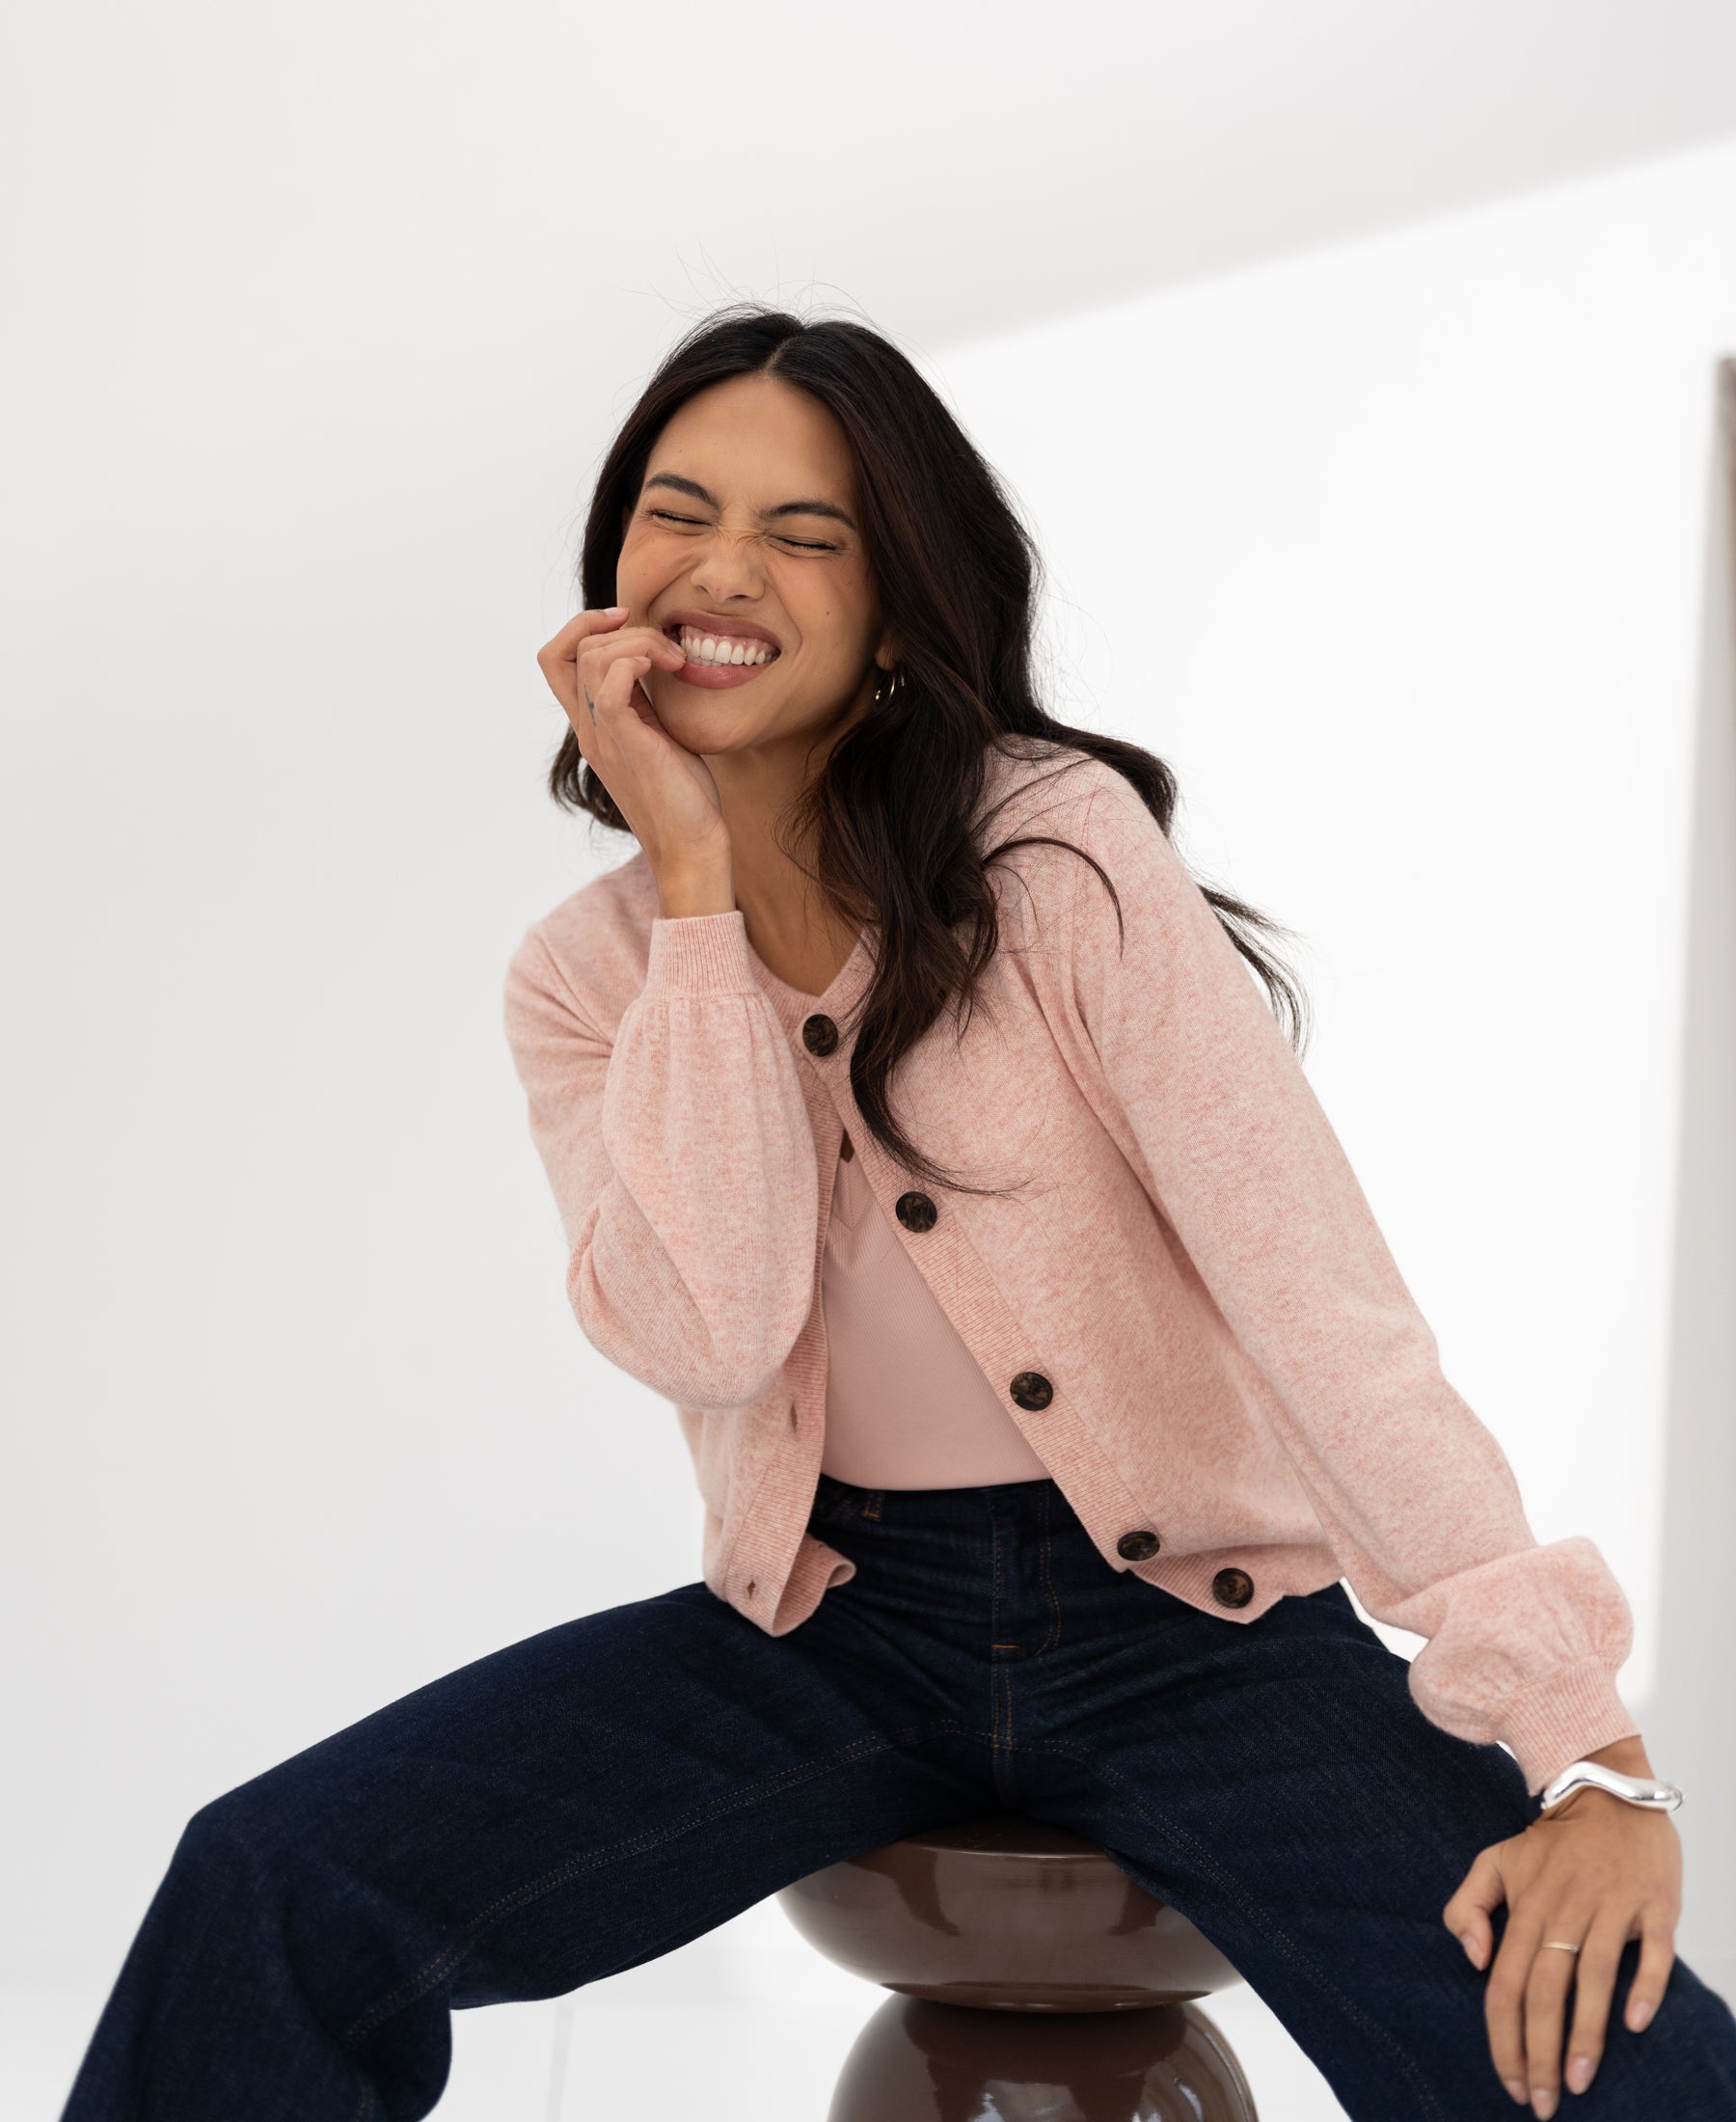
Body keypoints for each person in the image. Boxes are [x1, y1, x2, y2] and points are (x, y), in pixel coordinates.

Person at [59, 304, 1736, 2122]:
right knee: (272, 1884)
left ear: (893, 607)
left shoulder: (1059, 855)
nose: (721, 568)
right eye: (675, 513)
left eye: (805, 532)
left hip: (1195, 1627)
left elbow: (1317, 1297)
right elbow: (712, 1327)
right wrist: (695, 891)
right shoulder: (587, 975)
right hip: (825, 1628)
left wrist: (1593, 1760)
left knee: (1613, 2068)